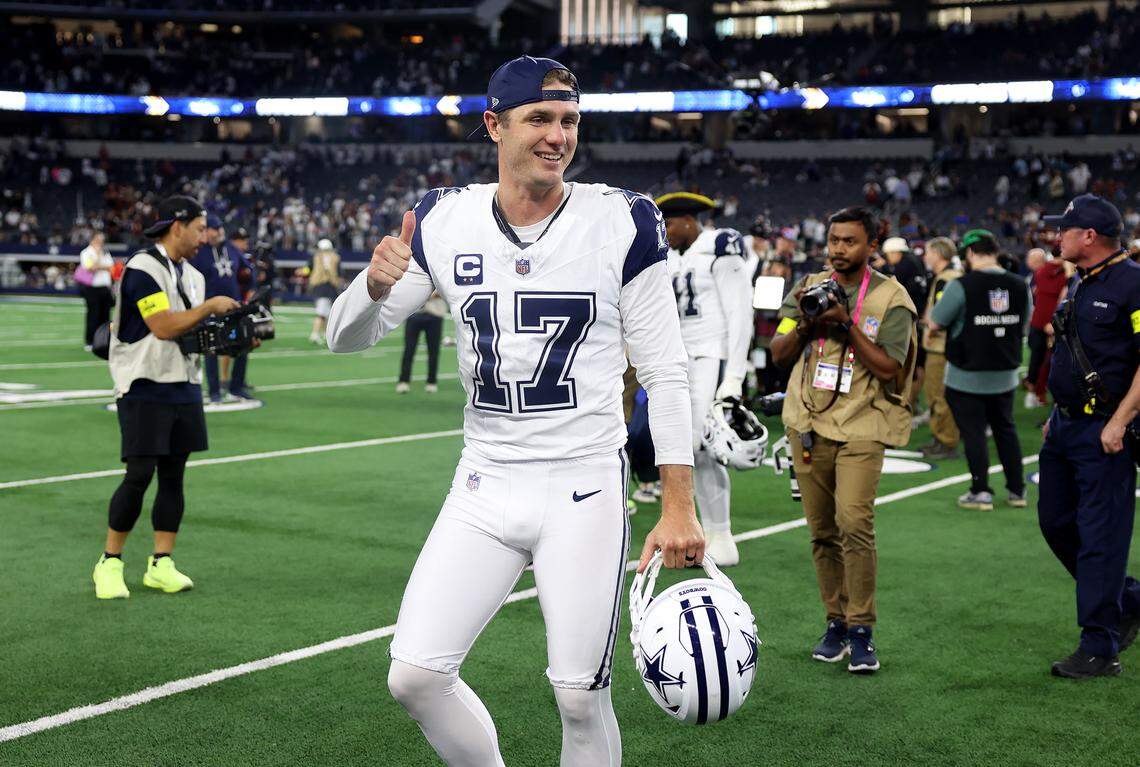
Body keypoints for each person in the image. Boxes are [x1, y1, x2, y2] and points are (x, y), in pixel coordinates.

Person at [326, 56, 701, 765]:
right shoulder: (444, 218)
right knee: (414, 675)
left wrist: (678, 501)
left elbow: (665, 371)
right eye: (539, 119)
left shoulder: (624, 219)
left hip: (583, 483)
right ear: (495, 125)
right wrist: (370, 287)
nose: (557, 136)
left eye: (568, 121)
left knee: (579, 695)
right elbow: (351, 338)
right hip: (485, 481)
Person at [770, 206, 918, 674]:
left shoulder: (891, 299)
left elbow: (890, 367)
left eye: (849, 241)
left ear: (872, 245)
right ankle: (835, 620)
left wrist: (846, 324)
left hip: (862, 423)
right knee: (821, 531)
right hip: (808, 421)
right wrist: (812, 321)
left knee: (854, 522)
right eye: (833, 240)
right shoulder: (807, 289)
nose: (838, 249)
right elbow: (778, 352)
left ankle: (862, 628)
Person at [92, 196, 239, 600]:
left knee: (175, 476)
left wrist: (235, 336)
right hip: (143, 383)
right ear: (178, 225)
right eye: (198, 228)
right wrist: (209, 307)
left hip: (183, 383)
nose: (204, 237)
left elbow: (191, 334)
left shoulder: (193, 274)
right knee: (139, 475)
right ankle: (109, 561)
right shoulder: (142, 267)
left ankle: (161, 562)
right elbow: (161, 325)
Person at [1037, 193, 1140, 679]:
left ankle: (1099, 648)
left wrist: (1120, 420)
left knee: (1101, 539)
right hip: (1065, 426)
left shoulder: (1133, 284)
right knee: (1056, 522)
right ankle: (1130, 598)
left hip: (1105, 430)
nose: (1058, 237)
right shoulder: (1083, 282)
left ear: (1089, 237)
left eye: (1066, 230)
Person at [656, 191, 753, 566]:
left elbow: (739, 314)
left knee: (705, 446)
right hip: (680, 360)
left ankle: (722, 531)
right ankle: (706, 528)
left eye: (668, 224)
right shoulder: (674, 256)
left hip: (710, 355)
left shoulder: (720, 246)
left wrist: (734, 376)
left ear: (686, 221)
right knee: (685, 447)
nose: (665, 232)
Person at [929, 229, 1031, 510]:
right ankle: (1017, 490)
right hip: (1006, 371)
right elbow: (1025, 319)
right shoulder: (1020, 284)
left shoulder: (961, 285)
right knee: (1005, 430)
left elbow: (936, 321)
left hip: (966, 373)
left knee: (973, 433)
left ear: (970, 254)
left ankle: (981, 491)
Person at [190, 214, 254, 402]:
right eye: (214, 229)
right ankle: (215, 391)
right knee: (211, 350)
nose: (219, 232)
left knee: (243, 344)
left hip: (233, 306)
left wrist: (249, 291)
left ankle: (237, 386)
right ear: (206, 231)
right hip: (209, 307)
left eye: (220, 228)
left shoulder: (232, 250)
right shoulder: (199, 252)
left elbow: (248, 270)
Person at [918, 236, 963, 459]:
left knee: (938, 394)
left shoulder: (946, 279)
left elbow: (942, 316)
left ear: (937, 254)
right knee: (938, 394)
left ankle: (946, 441)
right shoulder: (950, 276)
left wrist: (930, 326)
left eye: (928, 252)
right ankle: (941, 438)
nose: (926, 257)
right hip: (947, 345)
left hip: (941, 346)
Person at [1025, 247, 1067, 409]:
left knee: (1037, 359)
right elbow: (1061, 299)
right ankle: (1043, 395)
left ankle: (1035, 394)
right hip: (1052, 323)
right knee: (1051, 361)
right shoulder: (1063, 274)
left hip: (1038, 321)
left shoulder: (1040, 273)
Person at [396, 291, 446, 394]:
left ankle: (431, 382)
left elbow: (445, 289)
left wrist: (424, 295)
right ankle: (403, 381)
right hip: (415, 314)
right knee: (409, 349)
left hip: (435, 313)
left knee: (433, 351)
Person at [76, 231, 114, 351]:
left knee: (105, 316)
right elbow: (90, 267)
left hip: (105, 288)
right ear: (92, 240)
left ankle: (104, 341)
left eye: (102, 240)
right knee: (93, 315)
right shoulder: (86, 253)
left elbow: (111, 267)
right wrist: (98, 257)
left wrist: (101, 265)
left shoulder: (105, 252)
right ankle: (90, 341)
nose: (101, 242)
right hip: (92, 288)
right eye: (98, 240)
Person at [307, 238, 343, 345]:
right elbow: (339, 274)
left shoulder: (315, 257)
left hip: (319, 286)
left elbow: (309, 269)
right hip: (329, 287)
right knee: (322, 313)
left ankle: (324, 334)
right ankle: (314, 334)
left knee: (326, 313)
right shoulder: (335, 258)